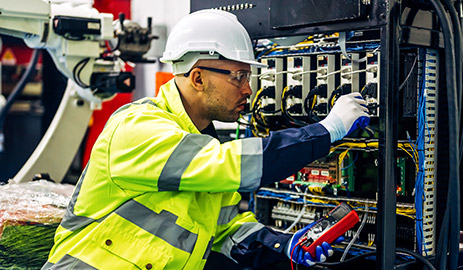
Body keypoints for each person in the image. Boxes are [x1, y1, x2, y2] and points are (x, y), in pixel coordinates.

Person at [43, 9, 369, 270]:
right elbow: (227, 165)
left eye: (249, 76)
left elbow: (227, 229)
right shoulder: (137, 127)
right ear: (197, 77)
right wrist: (327, 130)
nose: (249, 89)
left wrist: (285, 246)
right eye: (238, 77)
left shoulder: (201, 141)